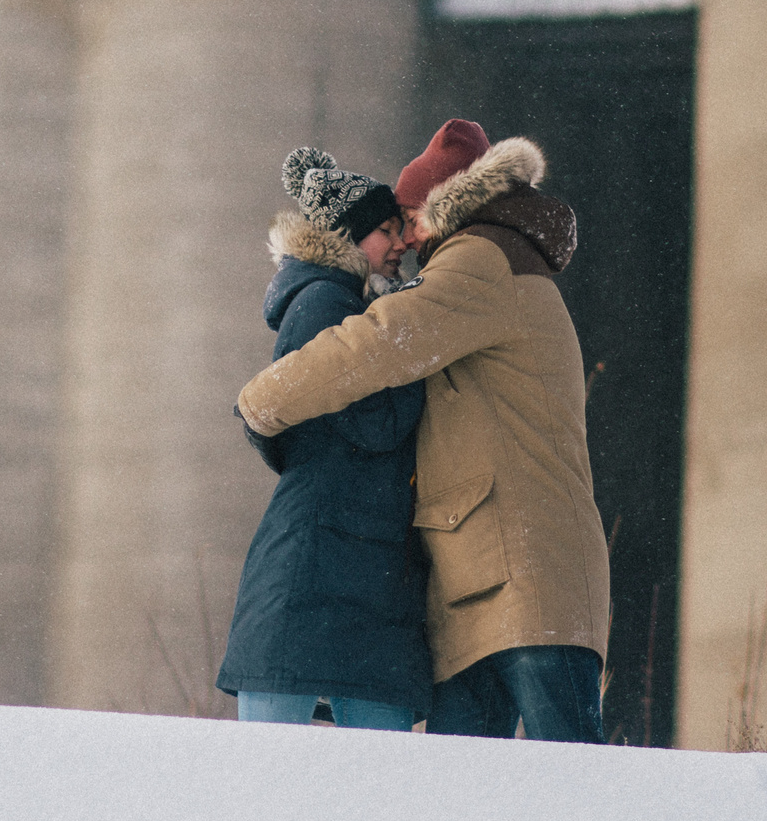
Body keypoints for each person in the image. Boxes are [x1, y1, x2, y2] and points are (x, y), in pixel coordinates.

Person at [237, 120, 609, 742]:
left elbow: (383, 340)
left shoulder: (479, 260)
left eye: (408, 217)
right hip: (487, 583)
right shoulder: (495, 265)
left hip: (524, 574)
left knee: (571, 777)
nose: (407, 239)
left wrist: (260, 400)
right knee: (460, 799)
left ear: (445, 205)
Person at [215, 147, 432, 731]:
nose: (399, 244)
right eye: (384, 231)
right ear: (347, 237)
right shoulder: (326, 303)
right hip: (323, 565)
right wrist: (412, 350)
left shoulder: (339, 302)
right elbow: (376, 423)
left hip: (338, 561)